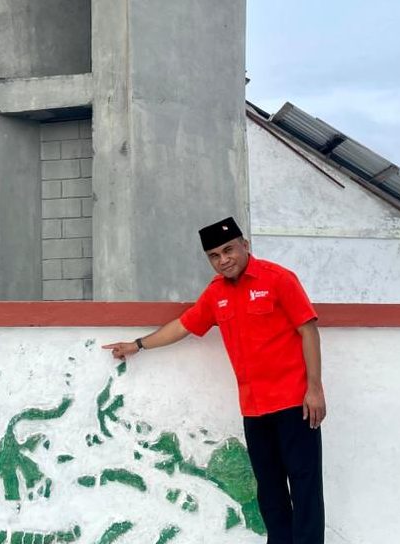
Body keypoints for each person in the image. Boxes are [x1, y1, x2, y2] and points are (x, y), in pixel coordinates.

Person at [103, 216, 326, 544]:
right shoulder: (215, 294)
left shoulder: (278, 279)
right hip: (254, 408)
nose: (223, 260)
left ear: (245, 246)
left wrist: (315, 389)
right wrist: (137, 345)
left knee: (305, 486)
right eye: (214, 256)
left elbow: (308, 330)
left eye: (229, 250)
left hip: (295, 402)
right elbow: (182, 326)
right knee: (270, 490)